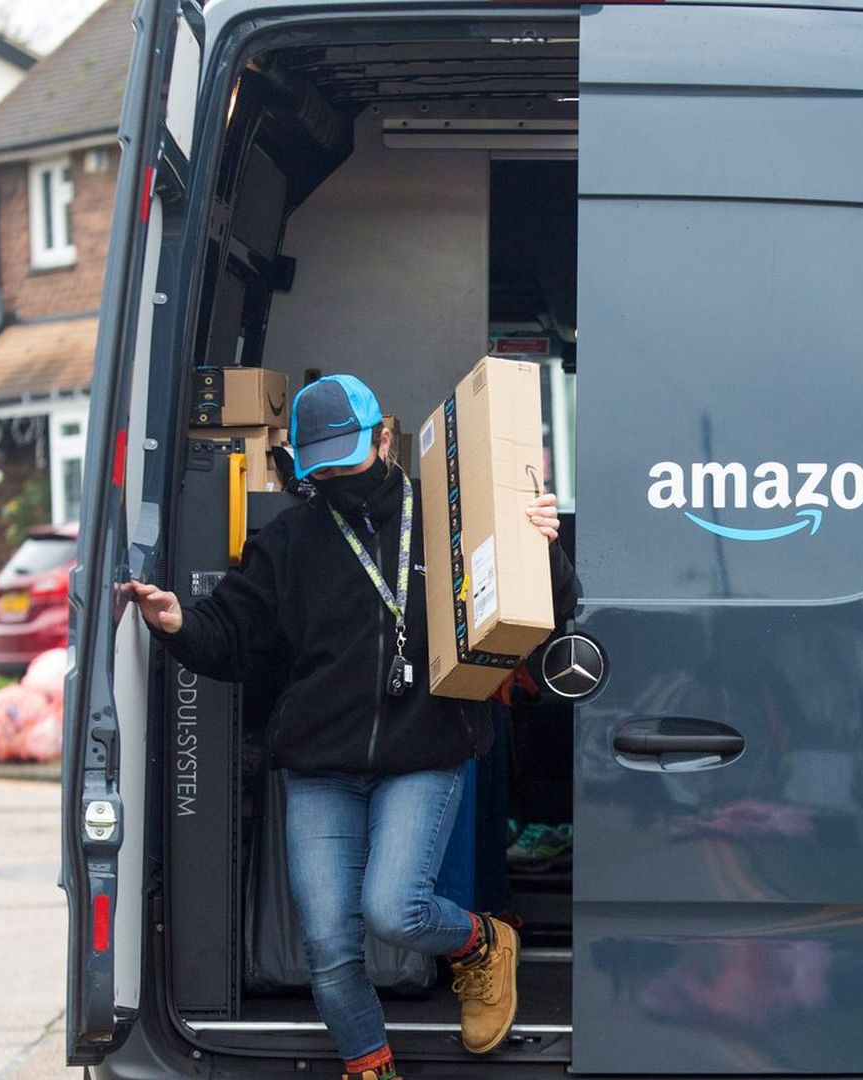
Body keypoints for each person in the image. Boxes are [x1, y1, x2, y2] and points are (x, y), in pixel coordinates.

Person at [124, 374, 577, 1080]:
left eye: (347, 456)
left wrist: (542, 544)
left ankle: (482, 944)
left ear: (385, 439)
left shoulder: (451, 518)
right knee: (330, 944)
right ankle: (370, 1066)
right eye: (320, 464)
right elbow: (236, 634)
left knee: (395, 911)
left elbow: (544, 600)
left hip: (424, 749)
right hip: (321, 763)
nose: (334, 473)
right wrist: (180, 622)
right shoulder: (290, 540)